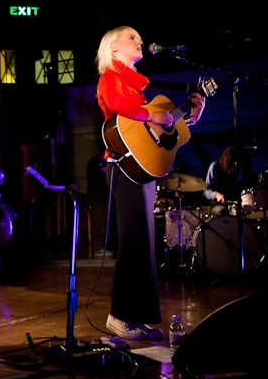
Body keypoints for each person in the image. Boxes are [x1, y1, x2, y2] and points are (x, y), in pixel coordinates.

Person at [95, 26, 206, 340]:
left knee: (145, 244)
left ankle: (135, 315)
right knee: (132, 241)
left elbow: (155, 127)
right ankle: (118, 315)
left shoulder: (137, 87)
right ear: (113, 47)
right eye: (131, 37)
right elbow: (120, 108)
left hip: (140, 167)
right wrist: (153, 116)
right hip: (122, 165)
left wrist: (187, 116)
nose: (139, 40)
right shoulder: (111, 78)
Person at [203, 144, 256, 217]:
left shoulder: (245, 169)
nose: (236, 168)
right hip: (219, 205)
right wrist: (216, 194)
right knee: (222, 212)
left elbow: (251, 188)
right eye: (234, 165)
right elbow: (205, 191)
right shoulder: (216, 167)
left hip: (238, 205)